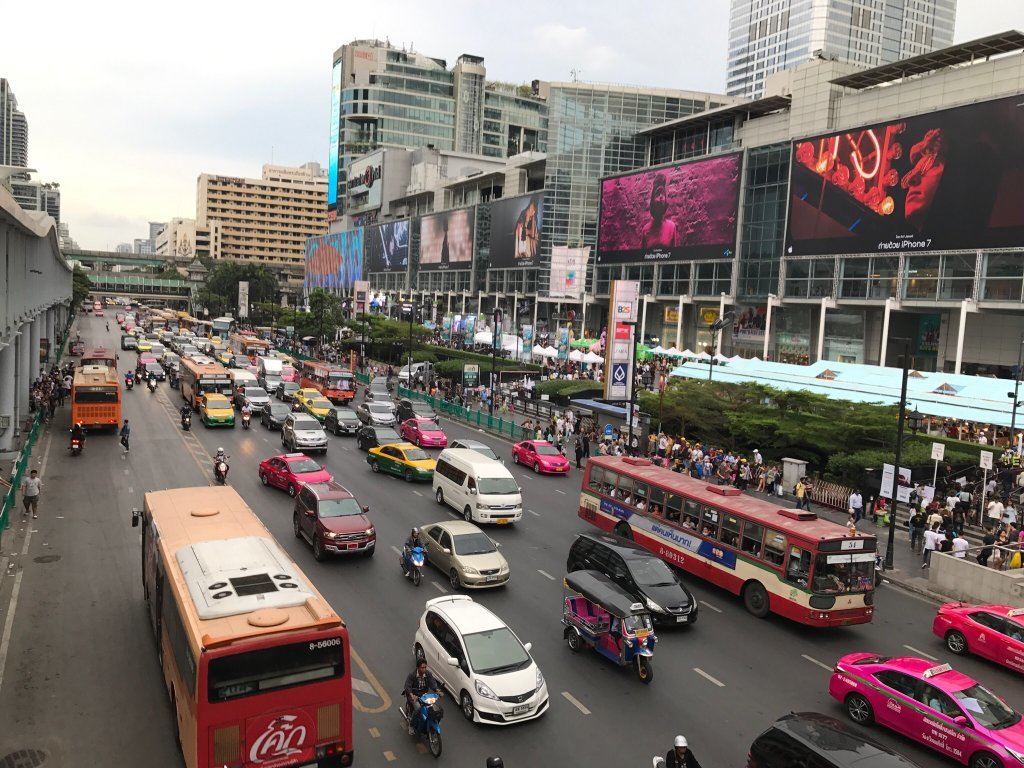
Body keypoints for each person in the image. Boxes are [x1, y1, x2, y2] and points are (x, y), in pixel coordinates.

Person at [641, 172, 681, 250]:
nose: (661, 197)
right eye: (657, 194)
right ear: (652, 201)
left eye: (662, 194)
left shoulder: (672, 227)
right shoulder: (645, 229)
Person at [403, 659, 442, 735]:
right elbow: (407, 686)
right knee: (417, 708)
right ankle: (411, 725)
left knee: (435, 708)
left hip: (424, 696)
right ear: (417, 667)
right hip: (413, 696)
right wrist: (411, 695)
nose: (424, 669)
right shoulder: (412, 675)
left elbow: (432, 683)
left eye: (425, 667)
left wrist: (437, 690)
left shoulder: (428, 674)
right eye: (422, 667)